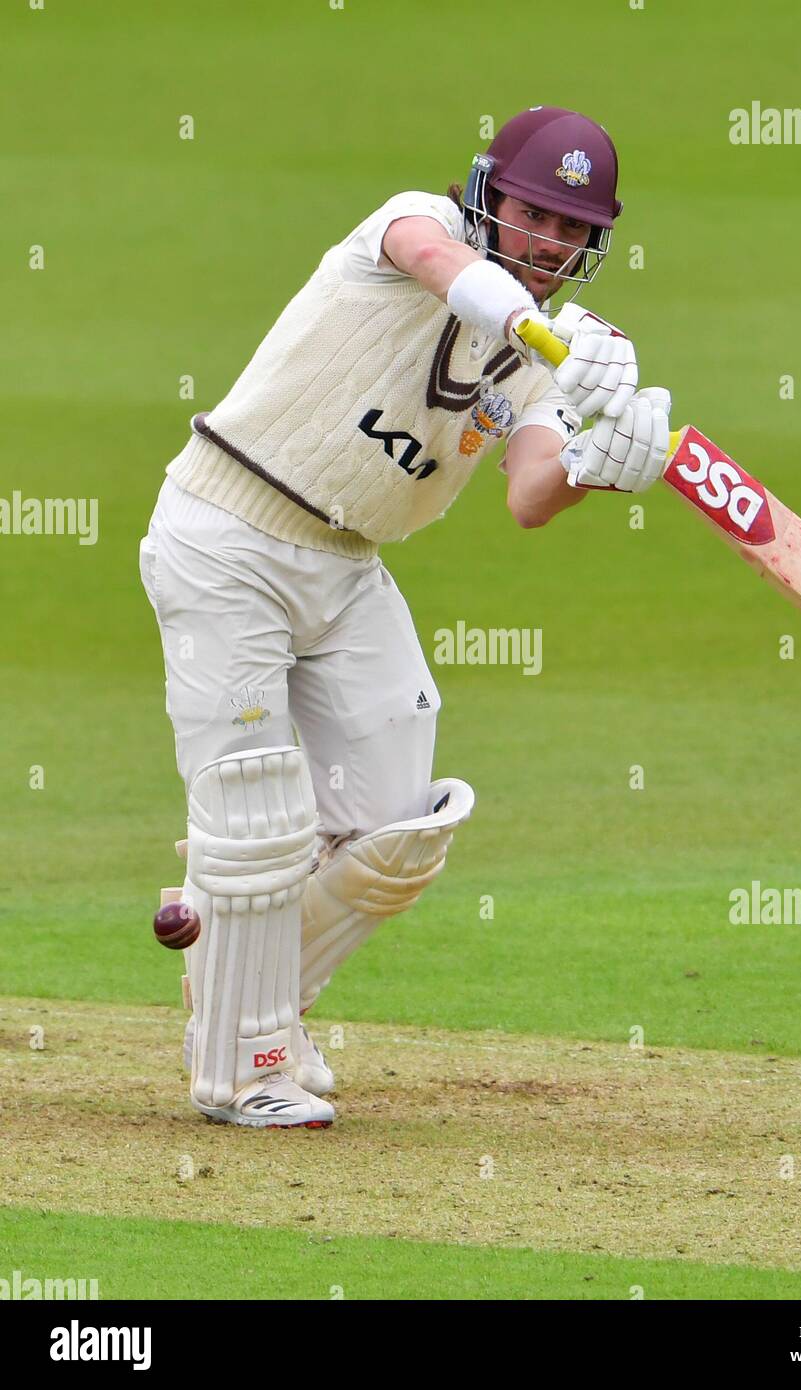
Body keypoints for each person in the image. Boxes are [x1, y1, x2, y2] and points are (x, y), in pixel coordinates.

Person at [138, 105, 673, 1129]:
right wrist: (542, 330)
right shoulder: (411, 223)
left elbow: (532, 493)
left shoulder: (547, 359)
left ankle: (254, 991)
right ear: (487, 194)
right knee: (258, 816)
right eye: (533, 213)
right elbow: (437, 262)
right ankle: (242, 1069)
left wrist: (605, 465)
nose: (549, 240)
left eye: (572, 227)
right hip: (226, 533)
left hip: (348, 565)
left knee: (399, 830)